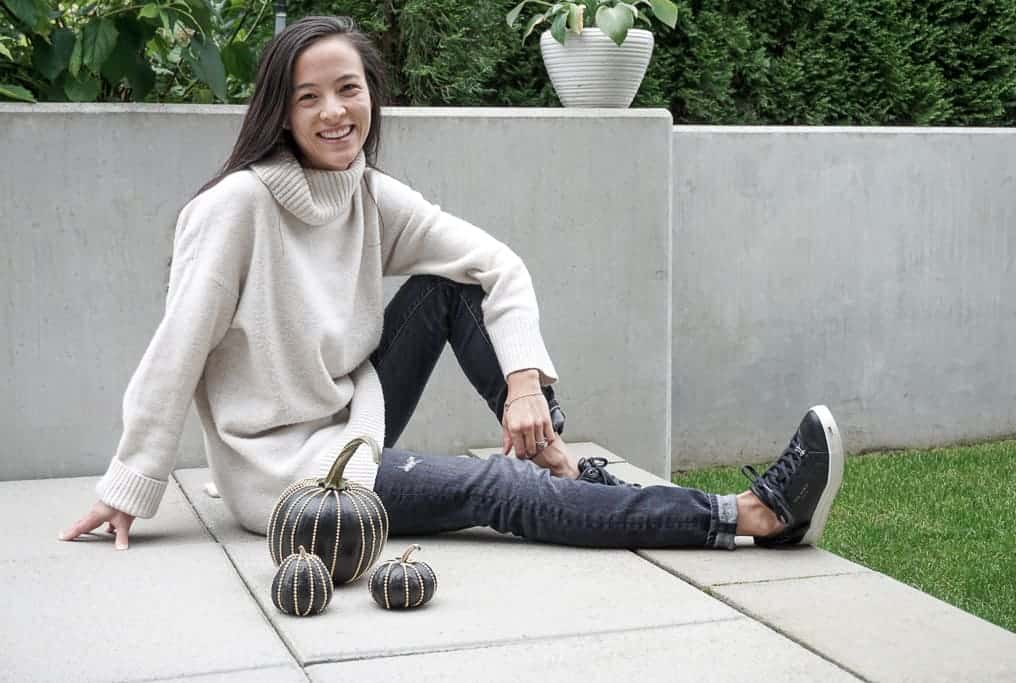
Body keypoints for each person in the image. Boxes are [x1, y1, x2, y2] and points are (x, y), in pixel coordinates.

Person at [59, 16, 845, 553]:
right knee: (491, 490)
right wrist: (132, 482)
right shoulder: (235, 208)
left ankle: (554, 454)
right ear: (281, 112)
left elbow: (497, 262)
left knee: (451, 284)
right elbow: (176, 352)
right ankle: (748, 515)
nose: (335, 111)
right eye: (309, 97)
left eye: (348, 88)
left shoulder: (369, 196)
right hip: (295, 479)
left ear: (371, 91)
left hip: (354, 417)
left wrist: (525, 384)